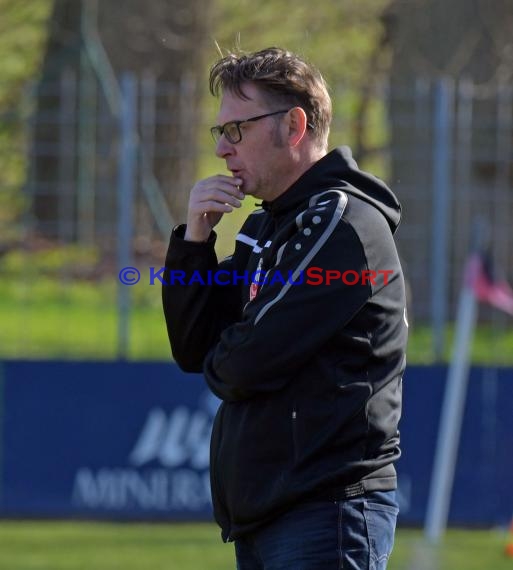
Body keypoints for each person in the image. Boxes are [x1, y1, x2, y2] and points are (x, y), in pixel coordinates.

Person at [162, 47, 408, 570]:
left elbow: (246, 362)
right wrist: (194, 241)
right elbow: (194, 348)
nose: (224, 150)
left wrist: (229, 353)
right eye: (220, 133)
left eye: (237, 130)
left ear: (293, 126)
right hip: (269, 514)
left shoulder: (340, 223)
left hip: (328, 511)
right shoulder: (264, 227)